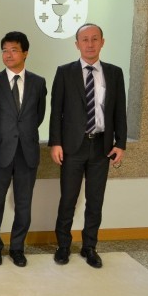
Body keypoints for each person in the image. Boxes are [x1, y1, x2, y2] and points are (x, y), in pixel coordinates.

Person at [49, 23, 127, 268]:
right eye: (85, 39)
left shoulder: (114, 73)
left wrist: (121, 144)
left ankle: (89, 246)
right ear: (77, 44)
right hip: (72, 146)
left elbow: (119, 113)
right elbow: (56, 112)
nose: (90, 44)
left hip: (101, 147)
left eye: (95, 39)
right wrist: (56, 143)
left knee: (95, 200)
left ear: (103, 42)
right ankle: (63, 246)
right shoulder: (64, 72)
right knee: (68, 199)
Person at [0, 31, 47, 267]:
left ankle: (18, 248)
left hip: (27, 153)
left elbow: (38, 116)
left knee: (24, 203)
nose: (8, 55)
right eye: (5, 50)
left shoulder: (39, 83)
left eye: (14, 50)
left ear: (25, 53)